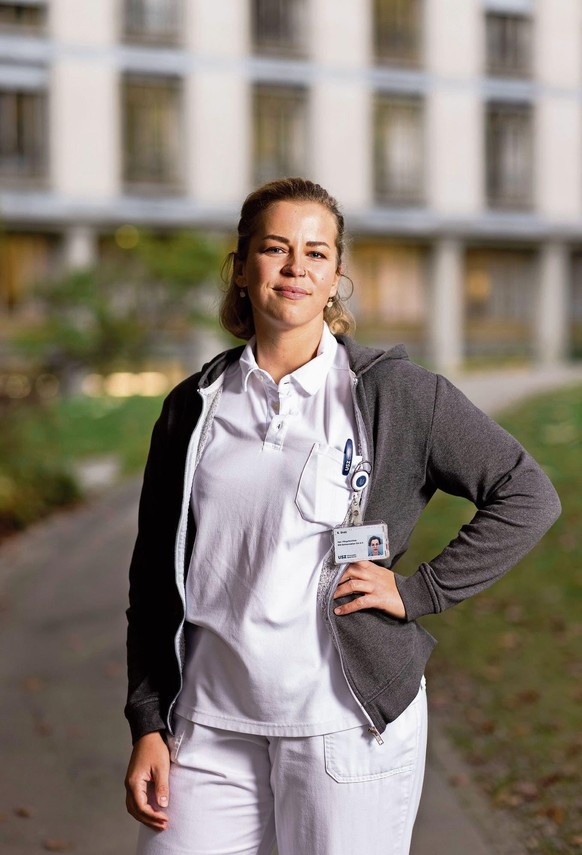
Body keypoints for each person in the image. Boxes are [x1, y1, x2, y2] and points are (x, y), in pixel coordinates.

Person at [123, 178, 561, 855]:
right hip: (208, 728)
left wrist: (419, 591)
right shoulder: (193, 406)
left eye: (317, 253)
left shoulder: (395, 395)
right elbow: (153, 578)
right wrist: (148, 719)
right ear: (242, 267)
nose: (296, 267)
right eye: (276, 248)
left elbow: (527, 491)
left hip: (343, 728)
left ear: (335, 278)